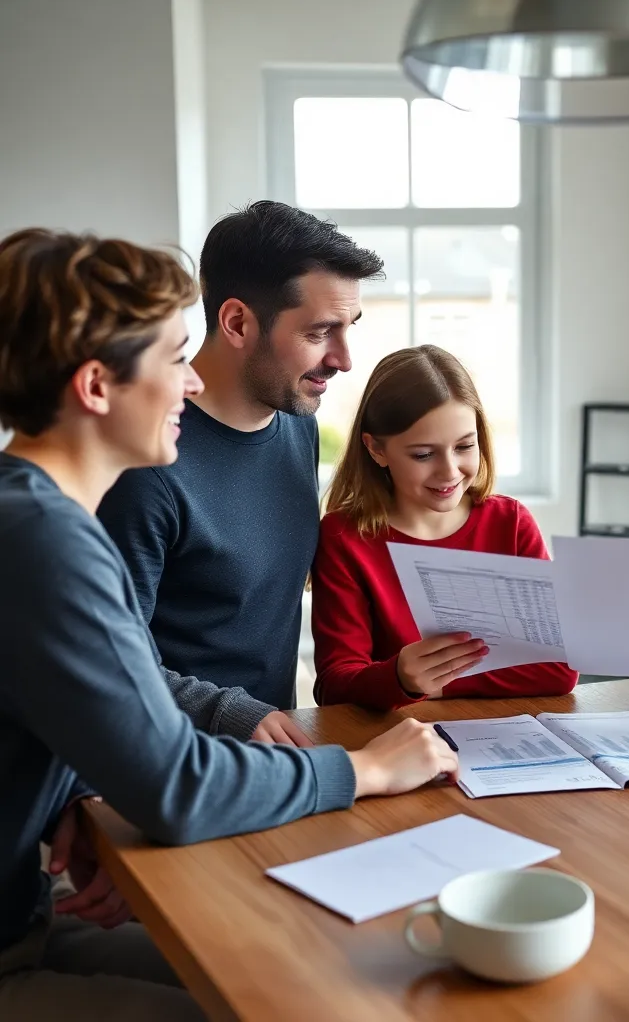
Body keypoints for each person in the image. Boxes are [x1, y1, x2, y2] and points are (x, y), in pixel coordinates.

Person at [0, 228, 458, 1020]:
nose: (189, 383)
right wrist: (368, 769)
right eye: (175, 358)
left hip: (26, 915)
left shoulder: (33, 515)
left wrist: (67, 793)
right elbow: (178, 784)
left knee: (316, 973)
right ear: (96, 388)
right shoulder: (43, 540)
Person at [98, 201, 382, 726]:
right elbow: (111, 666)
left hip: (276, 755)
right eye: (320, 332)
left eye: (350, 328)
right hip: (174, 766)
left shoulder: (298, 425)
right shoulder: (146, 466)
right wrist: (241, 717)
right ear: (236, 322)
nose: (344, 358)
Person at [312, 344, 578, 710]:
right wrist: (400, 678)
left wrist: (434, 685)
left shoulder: (511, 523)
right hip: (400, 747)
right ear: (376, 450)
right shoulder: (345, 538)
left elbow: (559, 670)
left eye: (465, 446)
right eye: (423, 454)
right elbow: (334, 687)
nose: (450, 472)